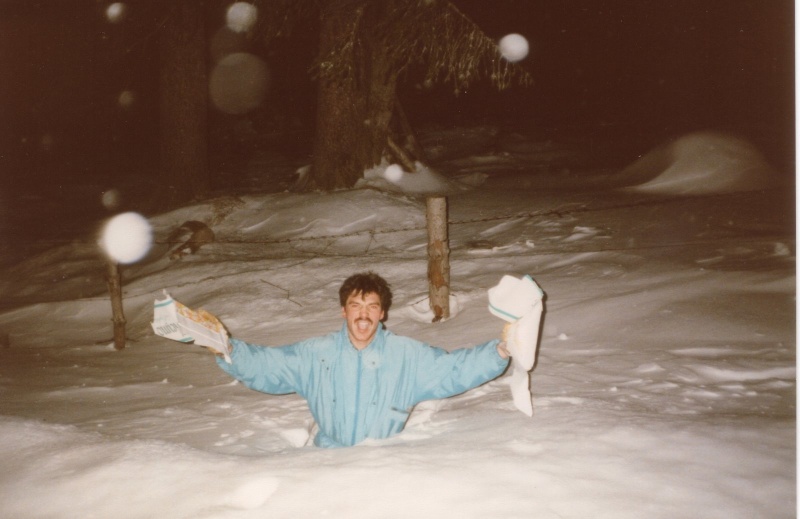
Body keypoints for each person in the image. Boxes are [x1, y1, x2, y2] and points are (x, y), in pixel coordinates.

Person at [215, 272, 510, 448]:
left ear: (382, 313)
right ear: (344, 311)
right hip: (326, 461)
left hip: (380, 463)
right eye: (355, 306)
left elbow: (453, 370)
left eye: (372, 306)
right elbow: (270, 366)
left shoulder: (406, 355)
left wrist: (498, 352)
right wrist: (228, 350)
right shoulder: (316, 353)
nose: (363, 314)